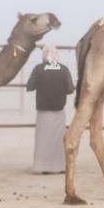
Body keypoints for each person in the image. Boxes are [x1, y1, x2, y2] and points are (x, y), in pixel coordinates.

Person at [26, 45, 74, 174]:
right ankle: (59, 167)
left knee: (43, 140)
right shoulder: (64, 70)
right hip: (59, 110)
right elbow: (70, 89)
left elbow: (29, 86)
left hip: (43, 111)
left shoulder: (38, 69)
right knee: (58, 140)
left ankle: (43, 167)